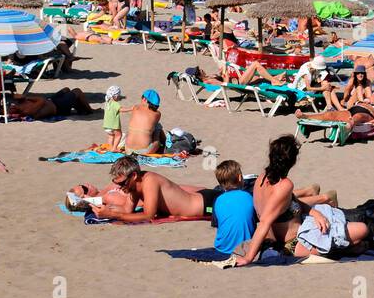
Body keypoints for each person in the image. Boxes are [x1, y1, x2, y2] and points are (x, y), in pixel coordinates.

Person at [233, 136, 352, 265]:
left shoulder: (261, 178)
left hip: (280, 238)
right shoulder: (285, 185)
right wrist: (248, 258)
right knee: (361, 230)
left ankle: (322, 199)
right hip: (293, 244)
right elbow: (264, 222)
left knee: (347, 227)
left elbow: (289, 202)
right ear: (293, 161)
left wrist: (314, 213)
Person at [90, 156, 218, 223]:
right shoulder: (134, 186)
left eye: (122, 183)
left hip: (207, 204)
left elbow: (148, 215)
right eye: (116, 182)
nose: (119, 187)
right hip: (200, 197)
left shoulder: (149, 181)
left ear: (134, 176)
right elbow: (127, 209)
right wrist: (99, 207)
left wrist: (113, 214)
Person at [212, 160, 256, 255]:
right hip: (246, 248)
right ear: (240, 178)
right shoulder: (249, 197)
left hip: (222, 248)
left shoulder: (218, 200)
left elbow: (217, 224)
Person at [123, 89, 166, 154]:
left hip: (128, 149)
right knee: (158, 127)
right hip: (145, 151)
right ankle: (165, 144)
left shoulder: (135, 108)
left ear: (145, 99)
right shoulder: (157, 114)